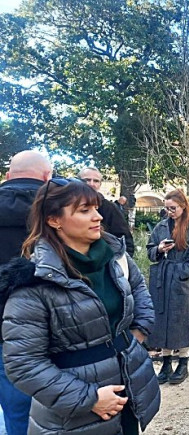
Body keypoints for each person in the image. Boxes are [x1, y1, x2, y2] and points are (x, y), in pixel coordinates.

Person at [0, 178, 160, 434]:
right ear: (54, 220)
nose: (98, 216)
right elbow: (23, 364)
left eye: (96, 208)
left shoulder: (114, 256)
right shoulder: (35, 281)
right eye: (84, 210)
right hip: (76, 414)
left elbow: (139, 289)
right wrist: (90, 399)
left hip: (126, 395)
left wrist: (137, 333)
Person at [0, 150, 52, 435]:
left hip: (2, 331)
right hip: (51, 326)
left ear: (8, 176)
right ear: (47, 176)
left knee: (16, 412)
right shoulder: (59, 209)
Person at [147, 188, 189, 385]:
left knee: (181, 321)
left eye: (173, 208)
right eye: (167, 208)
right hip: (162, 281)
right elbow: (150, 250)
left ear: (183, 206)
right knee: (163, 321)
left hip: (181, 282)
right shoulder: (162, 226)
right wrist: (159, 249)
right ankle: (166, 363)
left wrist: (180, 272)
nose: (169, 212)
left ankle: (183, 363)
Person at [79, 167, 134, 256]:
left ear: (100, 184)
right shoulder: (67, 206)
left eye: (96, 181)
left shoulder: (110, 208)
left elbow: (126, 241)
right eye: (87, 180)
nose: (91, 184)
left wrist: (119, 261)